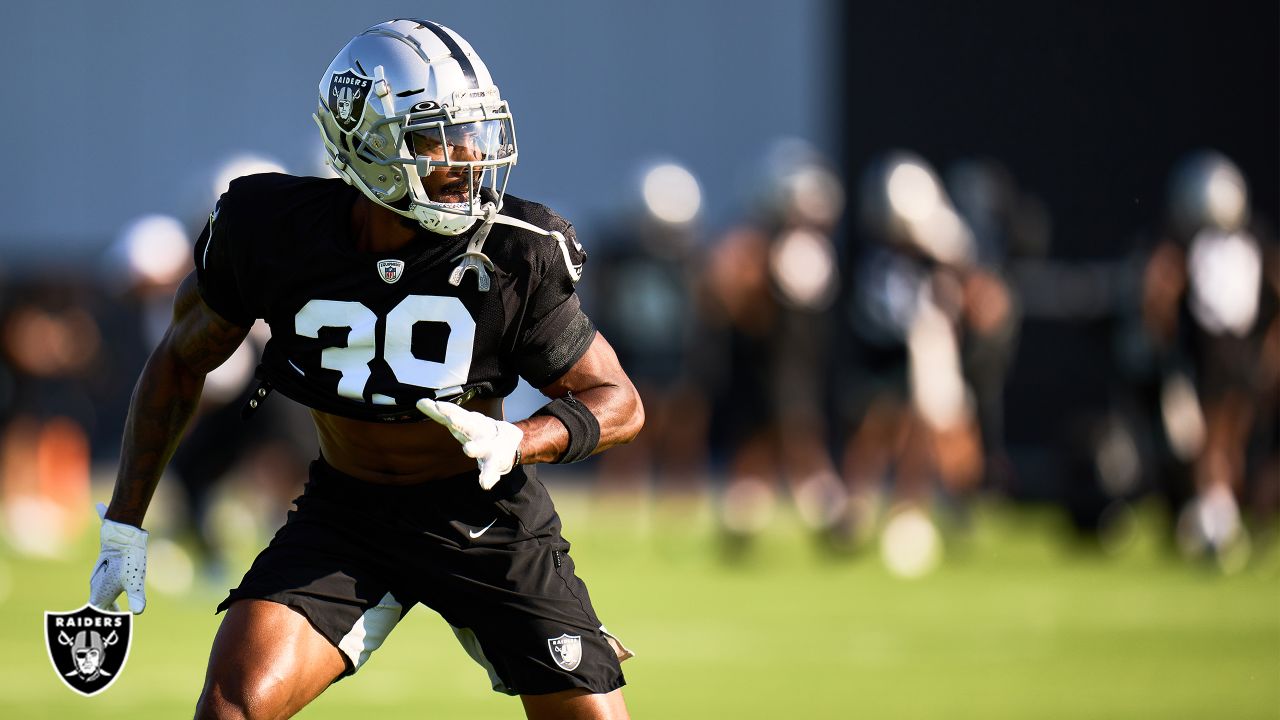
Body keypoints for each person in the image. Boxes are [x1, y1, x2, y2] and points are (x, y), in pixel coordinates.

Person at [85, 19, 642, 719]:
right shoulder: (271, 231)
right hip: (346, 517)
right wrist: (125, 525)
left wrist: (518, 440)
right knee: (231, 707)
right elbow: (178, 363)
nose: (466, 158)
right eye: (439, 137)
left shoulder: (512, 251)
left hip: (484, 517)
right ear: (367, 143)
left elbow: (618, 397)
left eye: (473, 134)